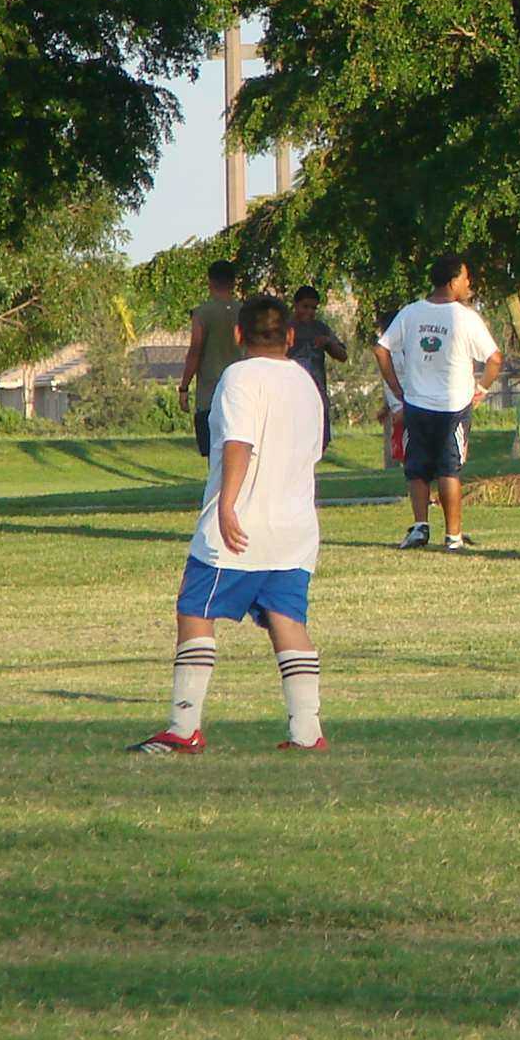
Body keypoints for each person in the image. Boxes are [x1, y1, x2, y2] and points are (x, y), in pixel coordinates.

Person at [130, 292, 328, 754]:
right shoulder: (306, 383)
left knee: (195, 610)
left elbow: (239, 442)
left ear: (239, 335)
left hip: (241, 527)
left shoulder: (238, 377)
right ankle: (307, 731)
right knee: (287, 618)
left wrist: (227, 505)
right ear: (290, 337)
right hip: (295, 528)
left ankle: (184, 728)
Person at [373, 255, 503, 552]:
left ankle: (420, 527)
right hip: (453, 407)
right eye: (466, 277)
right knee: (449, 469)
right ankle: (453, 536)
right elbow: (494, 359)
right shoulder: (466, 317)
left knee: (416, 469)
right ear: (452, 280)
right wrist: (481, 388)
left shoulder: (410, 313)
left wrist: (398, 389)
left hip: (416, 405)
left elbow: (381, 351)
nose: (468, 283)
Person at [174, 259, 242, 459]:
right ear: (233, 283)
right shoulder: (245, 312)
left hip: (210, 393)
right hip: (240, 390)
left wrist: (184, 387)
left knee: (214, 455)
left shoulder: (202, 313)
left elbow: (195, 350)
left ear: (210, 282)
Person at [288, 286, 348, 452]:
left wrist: (328, 342)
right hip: (289, 391)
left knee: (318, 439)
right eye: (305, 306)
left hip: (316, 391)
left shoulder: (320, 328)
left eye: (313, 308)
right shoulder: (285, 328)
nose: (309, 312)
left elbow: (342, 356)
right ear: (295, 305)